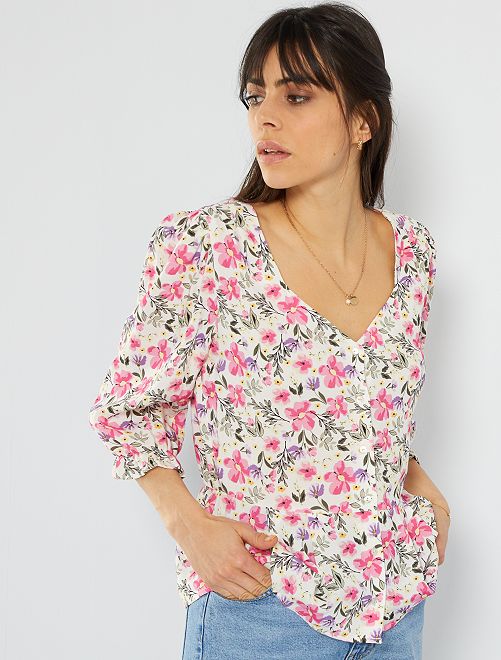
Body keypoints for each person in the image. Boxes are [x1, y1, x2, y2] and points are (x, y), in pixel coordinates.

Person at [88, 3, 451, 658]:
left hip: (395, 605)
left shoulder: (412, 252)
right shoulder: (208, 244)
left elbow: (366, 400)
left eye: (297, 95)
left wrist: (420, 485)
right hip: (261, 607)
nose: (265, 118)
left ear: (363, 121)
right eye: (255, 97)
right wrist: (190, 528)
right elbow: (129, 411)